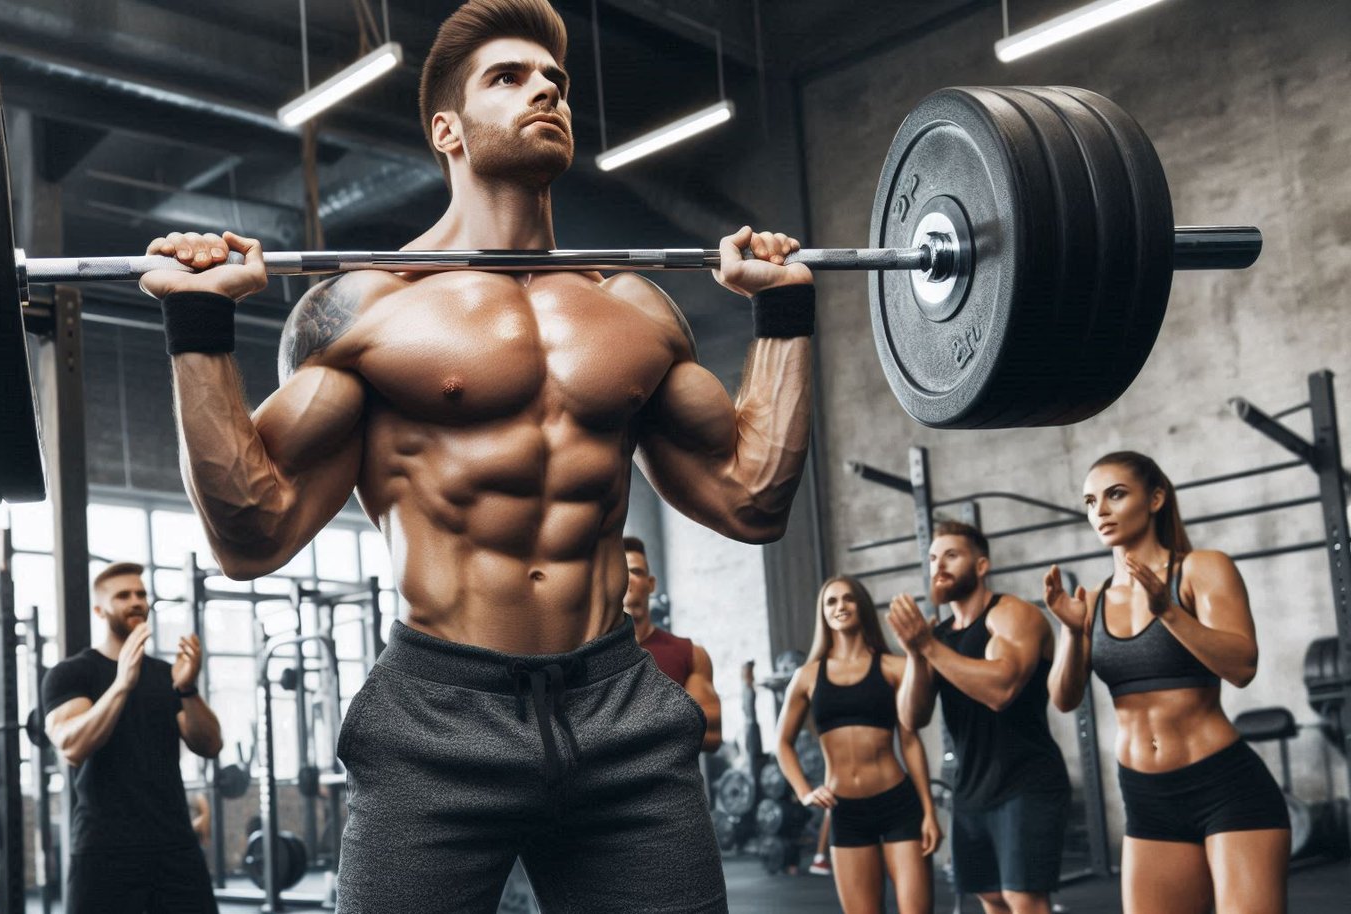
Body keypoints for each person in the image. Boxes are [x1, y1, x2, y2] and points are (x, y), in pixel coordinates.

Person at [136, 0, 815, 909]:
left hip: (620, 705)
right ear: (446, 129)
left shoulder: (635, 311)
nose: (547, 90)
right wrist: (199, 321)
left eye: (556, 81)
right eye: (511, 76)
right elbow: (250, 535)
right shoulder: (369, 308)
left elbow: (752, 499)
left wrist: (785, 313)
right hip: (437, 715)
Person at [1043, 451, 1287, 914]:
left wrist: (1169, 612)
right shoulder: (1090, 600)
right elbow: (1063, 698)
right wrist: (1074, 632)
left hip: (1225, 789)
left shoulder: (1201, 569)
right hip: (1147, 798)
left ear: (1155, 498)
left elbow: (1242, 666)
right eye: (1091, 502)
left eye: (1116, 495)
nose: (1102, 511)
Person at [889, 523, 1069, 914]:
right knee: (990, 896)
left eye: (952, 556)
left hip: (1027, 780)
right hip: (971, 786)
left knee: (1024, 898)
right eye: (934, 558)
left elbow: (1001, 691)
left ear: (982, 564)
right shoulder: (938, 637)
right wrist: (918, 655)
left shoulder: (1010, 614)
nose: (940, 566)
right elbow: (911, 716)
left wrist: (928, 647)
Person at [41, 562, 224, 914]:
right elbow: (71, 747)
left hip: (174, 846)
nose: (136, 601)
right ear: (99, 609)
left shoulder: (164, 674)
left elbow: (210, 745)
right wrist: (122, 683)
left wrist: (186, 688)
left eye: (141, 594)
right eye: (123, 595)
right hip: (104, 850)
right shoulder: (72, 673)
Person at [776, 576, 939, 914]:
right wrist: (805, 791)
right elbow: (782, 743)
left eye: (848, 599)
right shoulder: (807, 677)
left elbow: (910, 741)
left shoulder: (895, 666)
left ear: (862, 606)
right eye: (831, 602)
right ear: (823, 613)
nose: (840, 607)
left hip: (898, 804)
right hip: (846, 812)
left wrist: (928, 811)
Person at [624, 535, 723, 751]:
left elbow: (712, 731)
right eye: (621, 571)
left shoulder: (689, 653)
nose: (628, 579)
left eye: (636, 571)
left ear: (651, 584)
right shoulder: (589, 654)